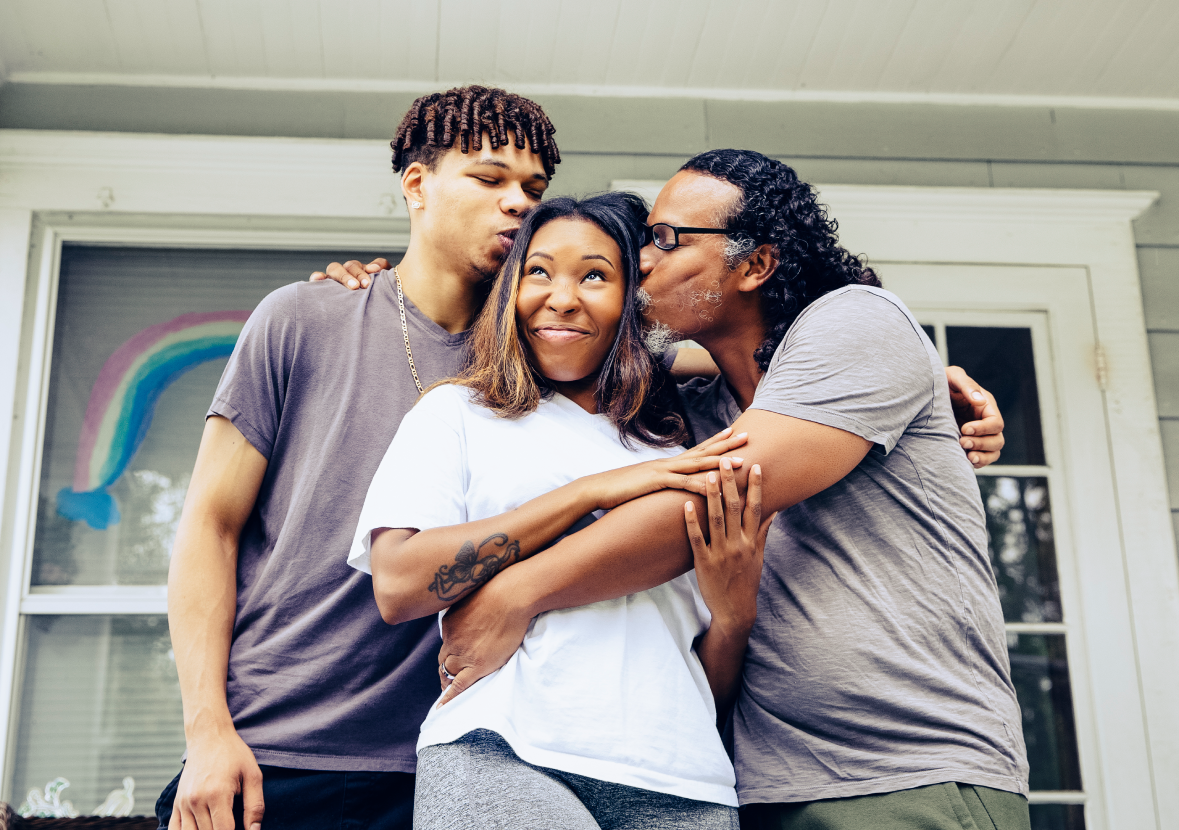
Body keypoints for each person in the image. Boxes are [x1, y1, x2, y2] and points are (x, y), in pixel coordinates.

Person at [406, 151, 1032, 830]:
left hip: (907, 772)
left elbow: (707, 500)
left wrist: (515, 592)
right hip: (754, 782)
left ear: (756, 265)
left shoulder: (857, 322)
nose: (642, 259)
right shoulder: (689, 410)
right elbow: (556, 334)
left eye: (668, 239)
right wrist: (381, 290)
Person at [160, 86, 561, 830]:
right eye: (490, 177)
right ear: (416, 185)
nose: (519, 204)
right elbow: (208, 530)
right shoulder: (302, 318)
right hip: (271, 752)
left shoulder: (545, 363)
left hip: (451, 768)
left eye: (534, 189)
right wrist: (208, 732)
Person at [350, 192, 766, 829]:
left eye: (595, 275)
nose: (562, 297)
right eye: (537, 271)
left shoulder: (677, 442)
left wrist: (735, 615)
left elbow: (691, 666)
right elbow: (399, 584)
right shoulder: (458, 413)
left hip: (685, 778)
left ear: (634, 298)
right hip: (505, 753)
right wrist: (589, 492)